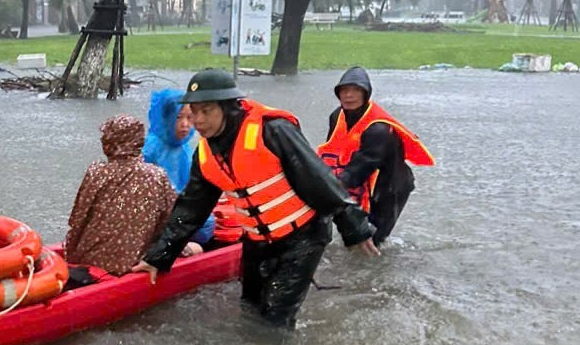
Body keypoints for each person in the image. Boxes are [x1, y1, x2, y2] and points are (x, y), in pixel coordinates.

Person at [131, 70, 378, 331]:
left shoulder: (273, 130)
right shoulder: (204, 154)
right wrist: (159, 256)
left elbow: (319, 180)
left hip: (302, 238)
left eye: (206, 111)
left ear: (227, 107)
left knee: (274, 321)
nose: (198, 121)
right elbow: (191, 209)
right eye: (194, 112)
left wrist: (354, 227)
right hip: (256, 242)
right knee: (249, 307)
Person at [317, 67, 434, 246]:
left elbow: (362, 166)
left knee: (373, 239)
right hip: (357, 179)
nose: (349, 95)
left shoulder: (378, 129)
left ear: (366, 94)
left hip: (390, 188)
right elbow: (333, 151)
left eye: (356, 90)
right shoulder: (336, 116)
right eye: (344, 90)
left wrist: (330, 187)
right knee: (350, 235)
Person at [65, 115, 179, 276]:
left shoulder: (96, 172)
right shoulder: (157, 175)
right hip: (130, 262)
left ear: (111, 142)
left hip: (88, 258)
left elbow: (77, 219)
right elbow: (171, 221)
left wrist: (69, 253)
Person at [143, 88, 215, 250]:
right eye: (178, 118)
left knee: (207, 223)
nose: (185, 125)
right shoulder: (151, 147)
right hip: (157, 212)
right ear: (165, 118)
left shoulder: (183, 147)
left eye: (190, 118)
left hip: (178, 206)